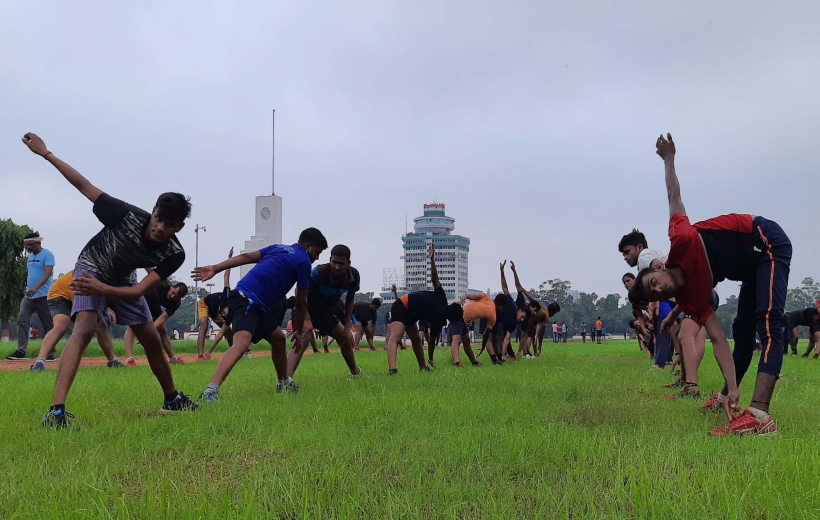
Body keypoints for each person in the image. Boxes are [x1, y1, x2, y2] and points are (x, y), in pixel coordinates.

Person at [21, 132, 197, 428]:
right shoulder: (125, 214)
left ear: (178, 226)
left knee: (152, 340)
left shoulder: (174, 253)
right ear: (152, 212)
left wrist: (106, 289)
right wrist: (46, 154)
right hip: (91, 268)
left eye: (169, 225)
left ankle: (172, 399)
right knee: (85, 328)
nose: (160, 228)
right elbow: (84, 186)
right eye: (158, 220)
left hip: (123, 280)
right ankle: (56, 412)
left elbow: (141, 289)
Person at [632, 133, 791, 436]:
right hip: (750, 269)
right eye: (653, 292)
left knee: (769, 323)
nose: (657, 288)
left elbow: (673, 196)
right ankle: (724, 398)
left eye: (653, 281)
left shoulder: (681, 239)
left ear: (659, 268)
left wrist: (668, 159)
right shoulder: (691, 300)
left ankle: (760, 415)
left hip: (766, 240)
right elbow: (718, 339)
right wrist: (732, 388)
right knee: (741, 333)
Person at [193, 228, 327, 400]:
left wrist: (216, 267)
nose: (317, 258)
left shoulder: (278, 248)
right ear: (308, 246)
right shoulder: (303, 261)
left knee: (278, 339)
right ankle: (210, 392)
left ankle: (284, 383)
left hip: (254, 303)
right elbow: (301, 302)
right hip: (246, 301)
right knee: (241, 344)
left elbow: (247, 257)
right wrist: (299, 332)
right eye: (317, 252)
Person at [287, 245, 362, 380]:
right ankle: (286, 380)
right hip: (307, 311)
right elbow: (299, 291)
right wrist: (307, 320)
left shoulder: (354, 276)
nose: (337, 267)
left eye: (341, 263)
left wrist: (347, 327)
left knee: (345, 339)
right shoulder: (319, 273)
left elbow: (350, 300)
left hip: (326, 314)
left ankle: (355, 372)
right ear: (330, 260)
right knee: (303, 340)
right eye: (334, 262)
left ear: (349, 264)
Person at [385, 243, 462, 375]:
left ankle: (423, 367)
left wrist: (432, 260)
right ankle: (392, 370)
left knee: (415, 340)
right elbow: (435, 279)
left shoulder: (442, 305)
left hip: (411, 314)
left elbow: (435, 279)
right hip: (402, 306)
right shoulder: (441, 315)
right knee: (396, 336)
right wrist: (432, 260)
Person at [29, 272, 124, 371]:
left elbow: (100, 293)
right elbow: (76, 293)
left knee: (101, 326)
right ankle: (39, 363)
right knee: (61, 325)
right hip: (59, 294)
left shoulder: (105, 274)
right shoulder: (90, 270)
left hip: (79, 295)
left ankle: (112, 361)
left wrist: (106, 309)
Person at [7, 232, 55, 361]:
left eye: (30, 245)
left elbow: (48, 273)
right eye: (27, 245)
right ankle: (20, 351)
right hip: (29, 296)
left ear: (38, 242)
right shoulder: (29, 257)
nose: (28, 248)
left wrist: (36, 288)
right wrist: (29, 288)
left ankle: (50, 353)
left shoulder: (48, 255)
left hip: (44, 296)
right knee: (22, 320)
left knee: (48, 324)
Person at [123, 281, 188, 366]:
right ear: (172, 286)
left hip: (154, 305)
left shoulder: (175, 303)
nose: (172, 296)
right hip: (141, 300)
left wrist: (146, 333)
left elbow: (162, 319)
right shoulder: (163, 283)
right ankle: (129, 360)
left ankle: (172, 358)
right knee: (132, 327)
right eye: (173, 293)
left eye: (176, 297)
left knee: (162, 331)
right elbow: (151, 271)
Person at [509, 261, 560, 359]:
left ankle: (522, 353)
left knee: (524, 335)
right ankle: (522, 353)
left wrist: (521, 287)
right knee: (525, 335)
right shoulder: (545, 316)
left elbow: (529, 297)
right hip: (525, 319)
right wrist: (538, 347)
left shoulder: (540, 307)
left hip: (527, 321)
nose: (535, 312)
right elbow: (538, 334)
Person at [197, 248, 235, 360]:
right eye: (224, 313)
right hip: (205, 304)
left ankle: (233, 353)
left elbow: (220, 334)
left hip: (215, 312)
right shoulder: (227, 293)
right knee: (204, 326)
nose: (224, 314)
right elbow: (226, 276)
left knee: (228, 331)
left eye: (224, 315)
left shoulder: (230, 313)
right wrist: (229, 258)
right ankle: (200, 355)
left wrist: (210, 351)